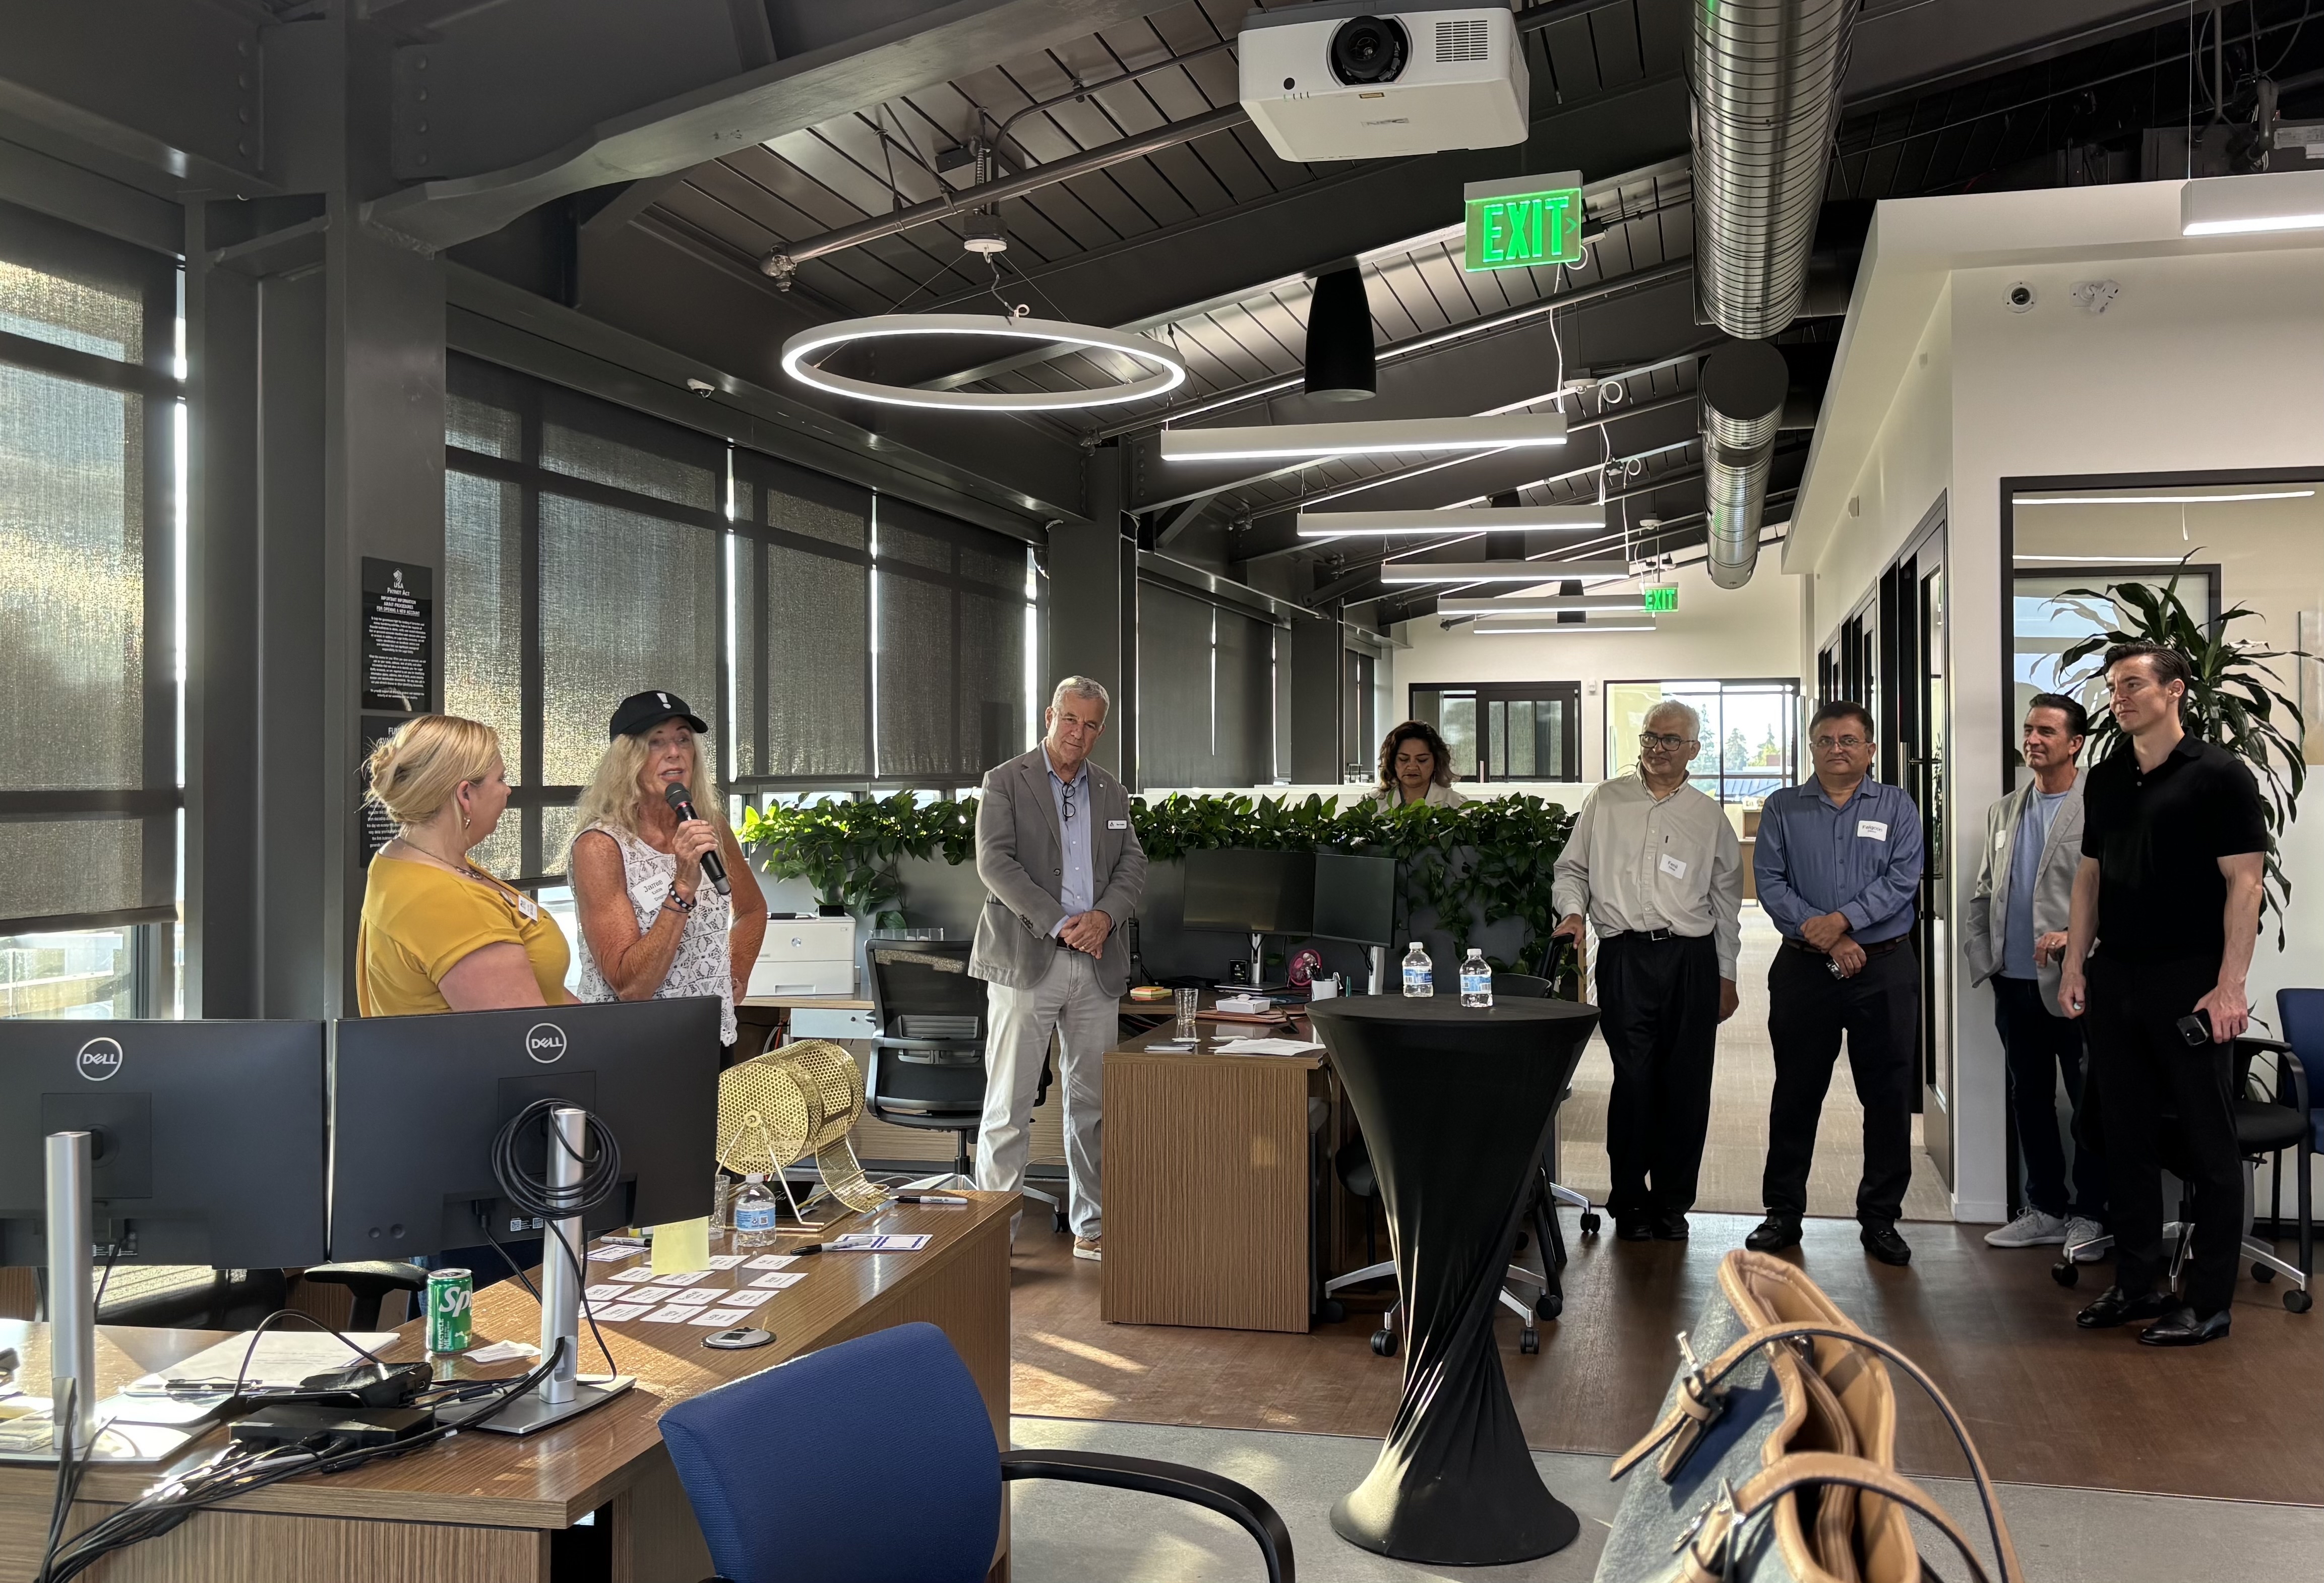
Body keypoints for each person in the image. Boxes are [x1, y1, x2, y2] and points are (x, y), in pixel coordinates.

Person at [2058, 642, 2266, 1347]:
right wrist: (2075, 965)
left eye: (2132, 684)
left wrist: (2229, 985)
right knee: (2124, 1139)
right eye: (2112, 686)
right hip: (2116, 975)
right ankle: (2136, 1283)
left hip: (2190, 981)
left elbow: (2245, 883)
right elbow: (2089, 876)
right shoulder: (2106, 776)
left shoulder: (2218, 774)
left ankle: (2207, 1302)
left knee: (2208, 1145)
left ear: (2174, 690)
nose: (2117, 697)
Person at [1550, 700, 1743, 1242]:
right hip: (1624, 956)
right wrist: (1572, 911)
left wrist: (1726, 975)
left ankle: (1673, 1203)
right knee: (1633, 1080)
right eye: (1650, 737)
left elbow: (1726, 902)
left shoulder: (1708, 816)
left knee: (1686, 1084)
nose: (1658, 748)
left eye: (1671, 740)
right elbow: (1571, 868)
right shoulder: (1606, 800)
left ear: (1693, 750)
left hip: (1691, 959)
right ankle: (1630, 1200)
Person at [970, 677, 1147, 1261]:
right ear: (1049, 716)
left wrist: (1103, 917)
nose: (1078, 732)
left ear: (1101, 730)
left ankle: (1092, 1226)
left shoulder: (1111, 790)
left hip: (1095, 962)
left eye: (1090, 724)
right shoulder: (1005, 780)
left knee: (1092, 1105)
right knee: (1009, 1106)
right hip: (1029, 958)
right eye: (1069, 719)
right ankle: (992, 1240)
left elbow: (1132, 865)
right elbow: (995, 863)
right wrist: (1059, 922)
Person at [1749, 701, 1926, 1266]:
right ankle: (1782, 1212)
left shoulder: (1897, 806)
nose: (1836, 749)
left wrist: (1844, 921)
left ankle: (1880, 1217)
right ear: (1811, 748)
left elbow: (1903, 878)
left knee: (1887, 1094)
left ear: (1870, 749)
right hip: (1805, 969)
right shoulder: (1782, 807)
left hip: (1884, 968)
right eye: (1825, 740)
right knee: (1796, 1092)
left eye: (1849, 740)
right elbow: (1769, 881)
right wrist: (1825, 935)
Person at [1968, 694, 2107, 1256]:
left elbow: (2118, 890)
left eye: (2046, 731)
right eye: (2028, 729)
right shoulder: (2005, 810)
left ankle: (2091, 1215)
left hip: (2079, 982)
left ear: (2075, 743)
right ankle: (2045, 1207)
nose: (2032, 739)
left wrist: (2078, 939)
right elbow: (1984, 890)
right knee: (2028, 1098)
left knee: (2090, 1103)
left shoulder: (2099, 805)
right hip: (2014, 982)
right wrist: (1985, 957)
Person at [571, 691, 766, 1062]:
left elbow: (752, 910)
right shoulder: (600, 846)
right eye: (656, 742)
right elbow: (631, 987)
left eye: (683, 739)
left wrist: (735, 971)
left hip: (707, 1035)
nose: (674, 753)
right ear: (626, 759)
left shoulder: (709, 826)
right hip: (631, 1048)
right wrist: (683, 887)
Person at [357, 713, 576, 1016]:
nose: (507, 790)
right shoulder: (449, 901)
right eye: (500, 779)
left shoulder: (400, 858)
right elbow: (526, 1037)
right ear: (465, 795)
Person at [1373, 720, 1467, 811]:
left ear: (1436, 762)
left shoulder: (1457, 805)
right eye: (1404, 759)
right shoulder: (1374, 803)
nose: (1412, 767)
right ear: (1392, 761)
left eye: (1422, 760)